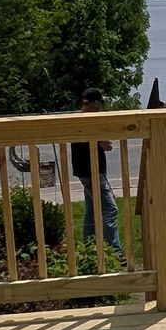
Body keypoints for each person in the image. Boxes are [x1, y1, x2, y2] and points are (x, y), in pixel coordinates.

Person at [69, 87, 122, 253]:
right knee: (110, 210)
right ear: (96, 103)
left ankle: (89, 248)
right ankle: (115, 251)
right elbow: (106, 145)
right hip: (93, 171)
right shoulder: (91, 121)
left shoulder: (77, 120)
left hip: (83, 172)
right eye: (99, 104)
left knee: (92, 210)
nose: (100, 108)